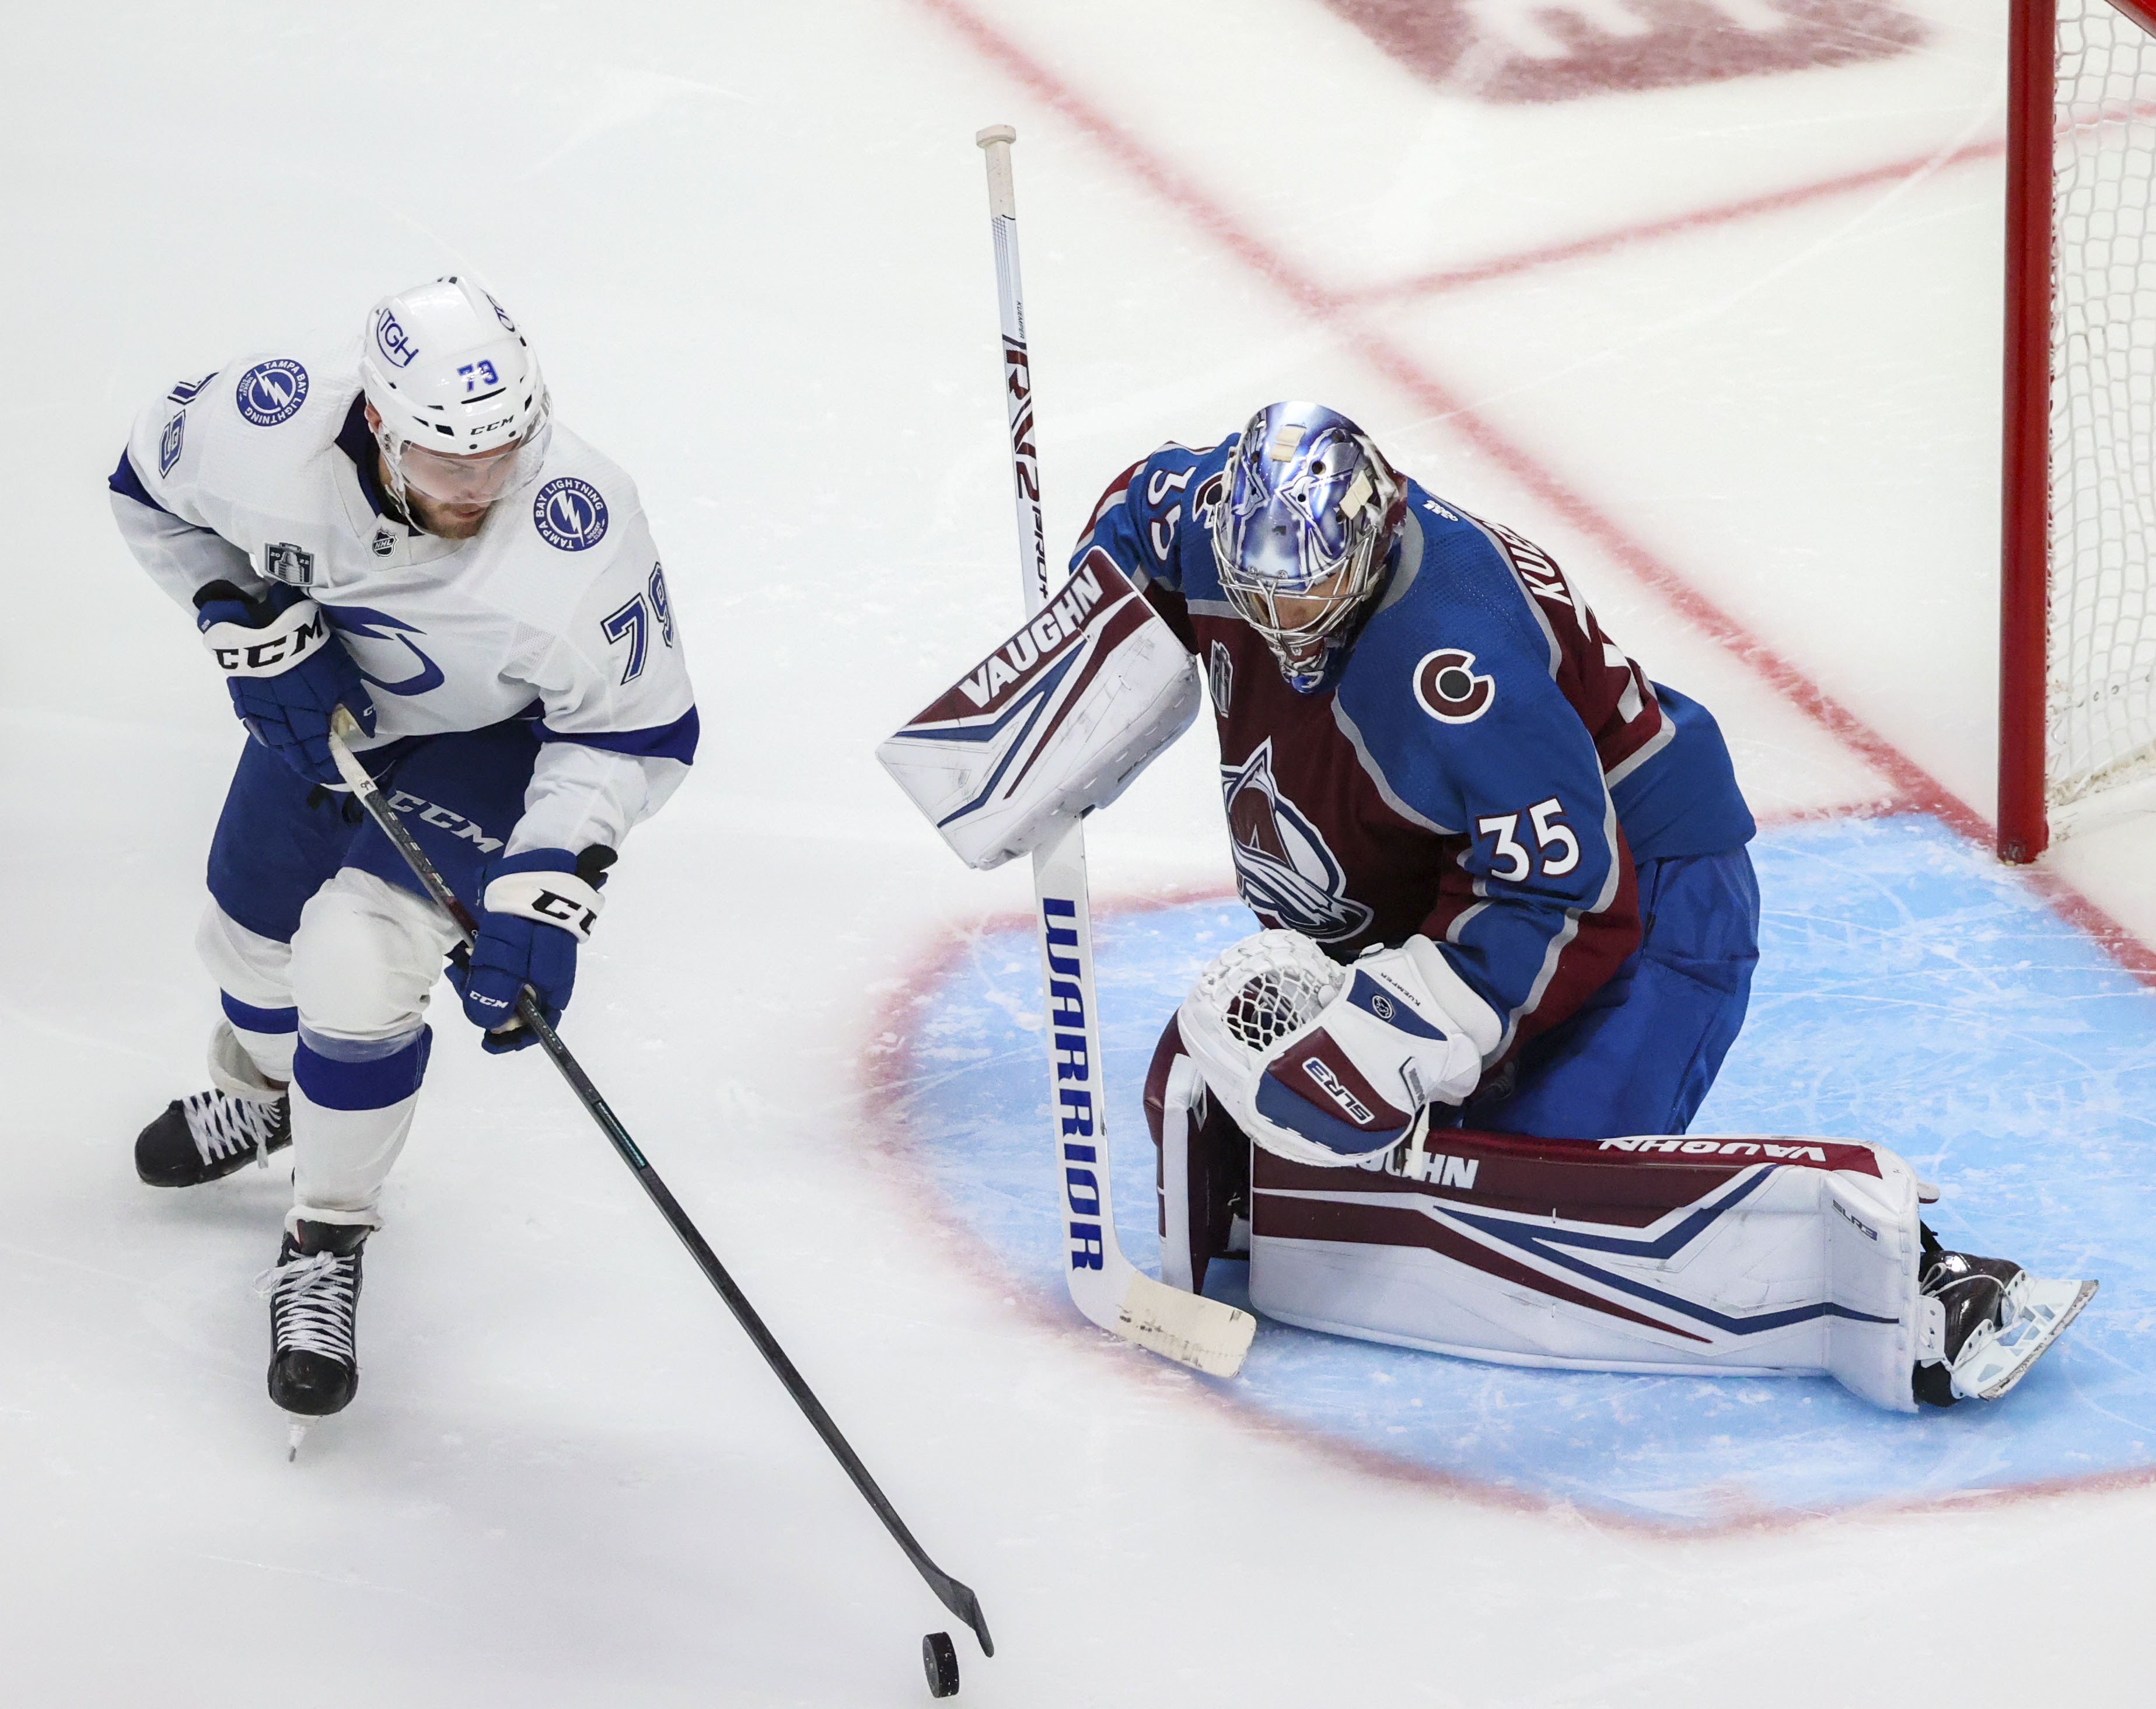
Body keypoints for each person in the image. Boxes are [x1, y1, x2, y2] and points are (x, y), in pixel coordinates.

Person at [1066, 401, 2086, 1409]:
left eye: (1311, 591)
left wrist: (1407, 1024)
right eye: (1262, 594)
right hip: (1460, 877)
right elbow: (1136, 517)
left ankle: (1925, 1284)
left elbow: (1567, 896)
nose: (1283, 623)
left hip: (1647, 903)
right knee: (1276, 1099)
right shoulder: (1219, 520)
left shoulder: (1453, 658)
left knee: (1529, 1198)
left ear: (1372, 536)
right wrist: (1067, 669)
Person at [110, 277, 697, 1422]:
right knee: (244, 934)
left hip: (489, 746)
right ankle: (272, 1093)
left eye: (505, 450)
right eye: (446, 461)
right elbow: (148, 486)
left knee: (357, 960)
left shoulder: (582, 525)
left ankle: (326, 1235)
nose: (482, 487)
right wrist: (233, 604)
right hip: (325, 716)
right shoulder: (268, 426)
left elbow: (636, 730)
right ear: (379, 422)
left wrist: (546, 888)